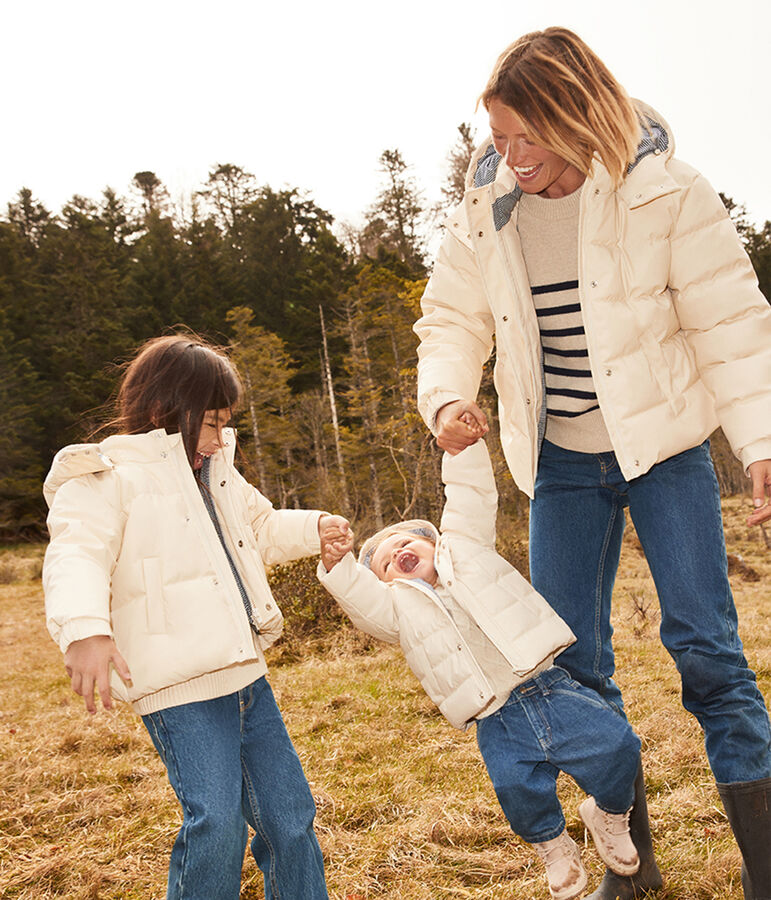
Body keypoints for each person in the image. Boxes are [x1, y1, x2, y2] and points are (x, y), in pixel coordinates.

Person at [414, 27, 771, 900]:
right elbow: (451, 319)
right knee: (568, 670)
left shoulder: (666, 195)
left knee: (707, 655)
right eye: (498, 138)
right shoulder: (485, 211)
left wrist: (760, 445)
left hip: (664, 453)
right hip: (560, 466)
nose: (512, 155)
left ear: (574, 116)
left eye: (527, 136)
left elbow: (728, 323)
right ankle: (631, 864)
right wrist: (448, 397)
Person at [42, 334, 341, 900]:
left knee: (290, 818)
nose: (220, 436)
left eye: (226, 422)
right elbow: (76, 554)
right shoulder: (106, 476)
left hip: (246, 675)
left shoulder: (218, 473)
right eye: (210, 422)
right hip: (177, 687)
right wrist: (85, 630)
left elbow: (258, 528)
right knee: (218, 826)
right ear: (162, 411)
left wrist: (314, 526)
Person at [318, 439, 643, 900]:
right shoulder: (394, 612)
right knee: (517, 788)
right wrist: (339, 565)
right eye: (386, 564)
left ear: (433, 541)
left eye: (405, 542)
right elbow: (359, 598)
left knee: (618, 746)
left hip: (548, 685)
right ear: (384, 585)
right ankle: (552, 844)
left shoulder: (466, 549)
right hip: (495, 718)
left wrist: (462, 448)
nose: (397, 554)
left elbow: (470, 494)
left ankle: (608, 815)